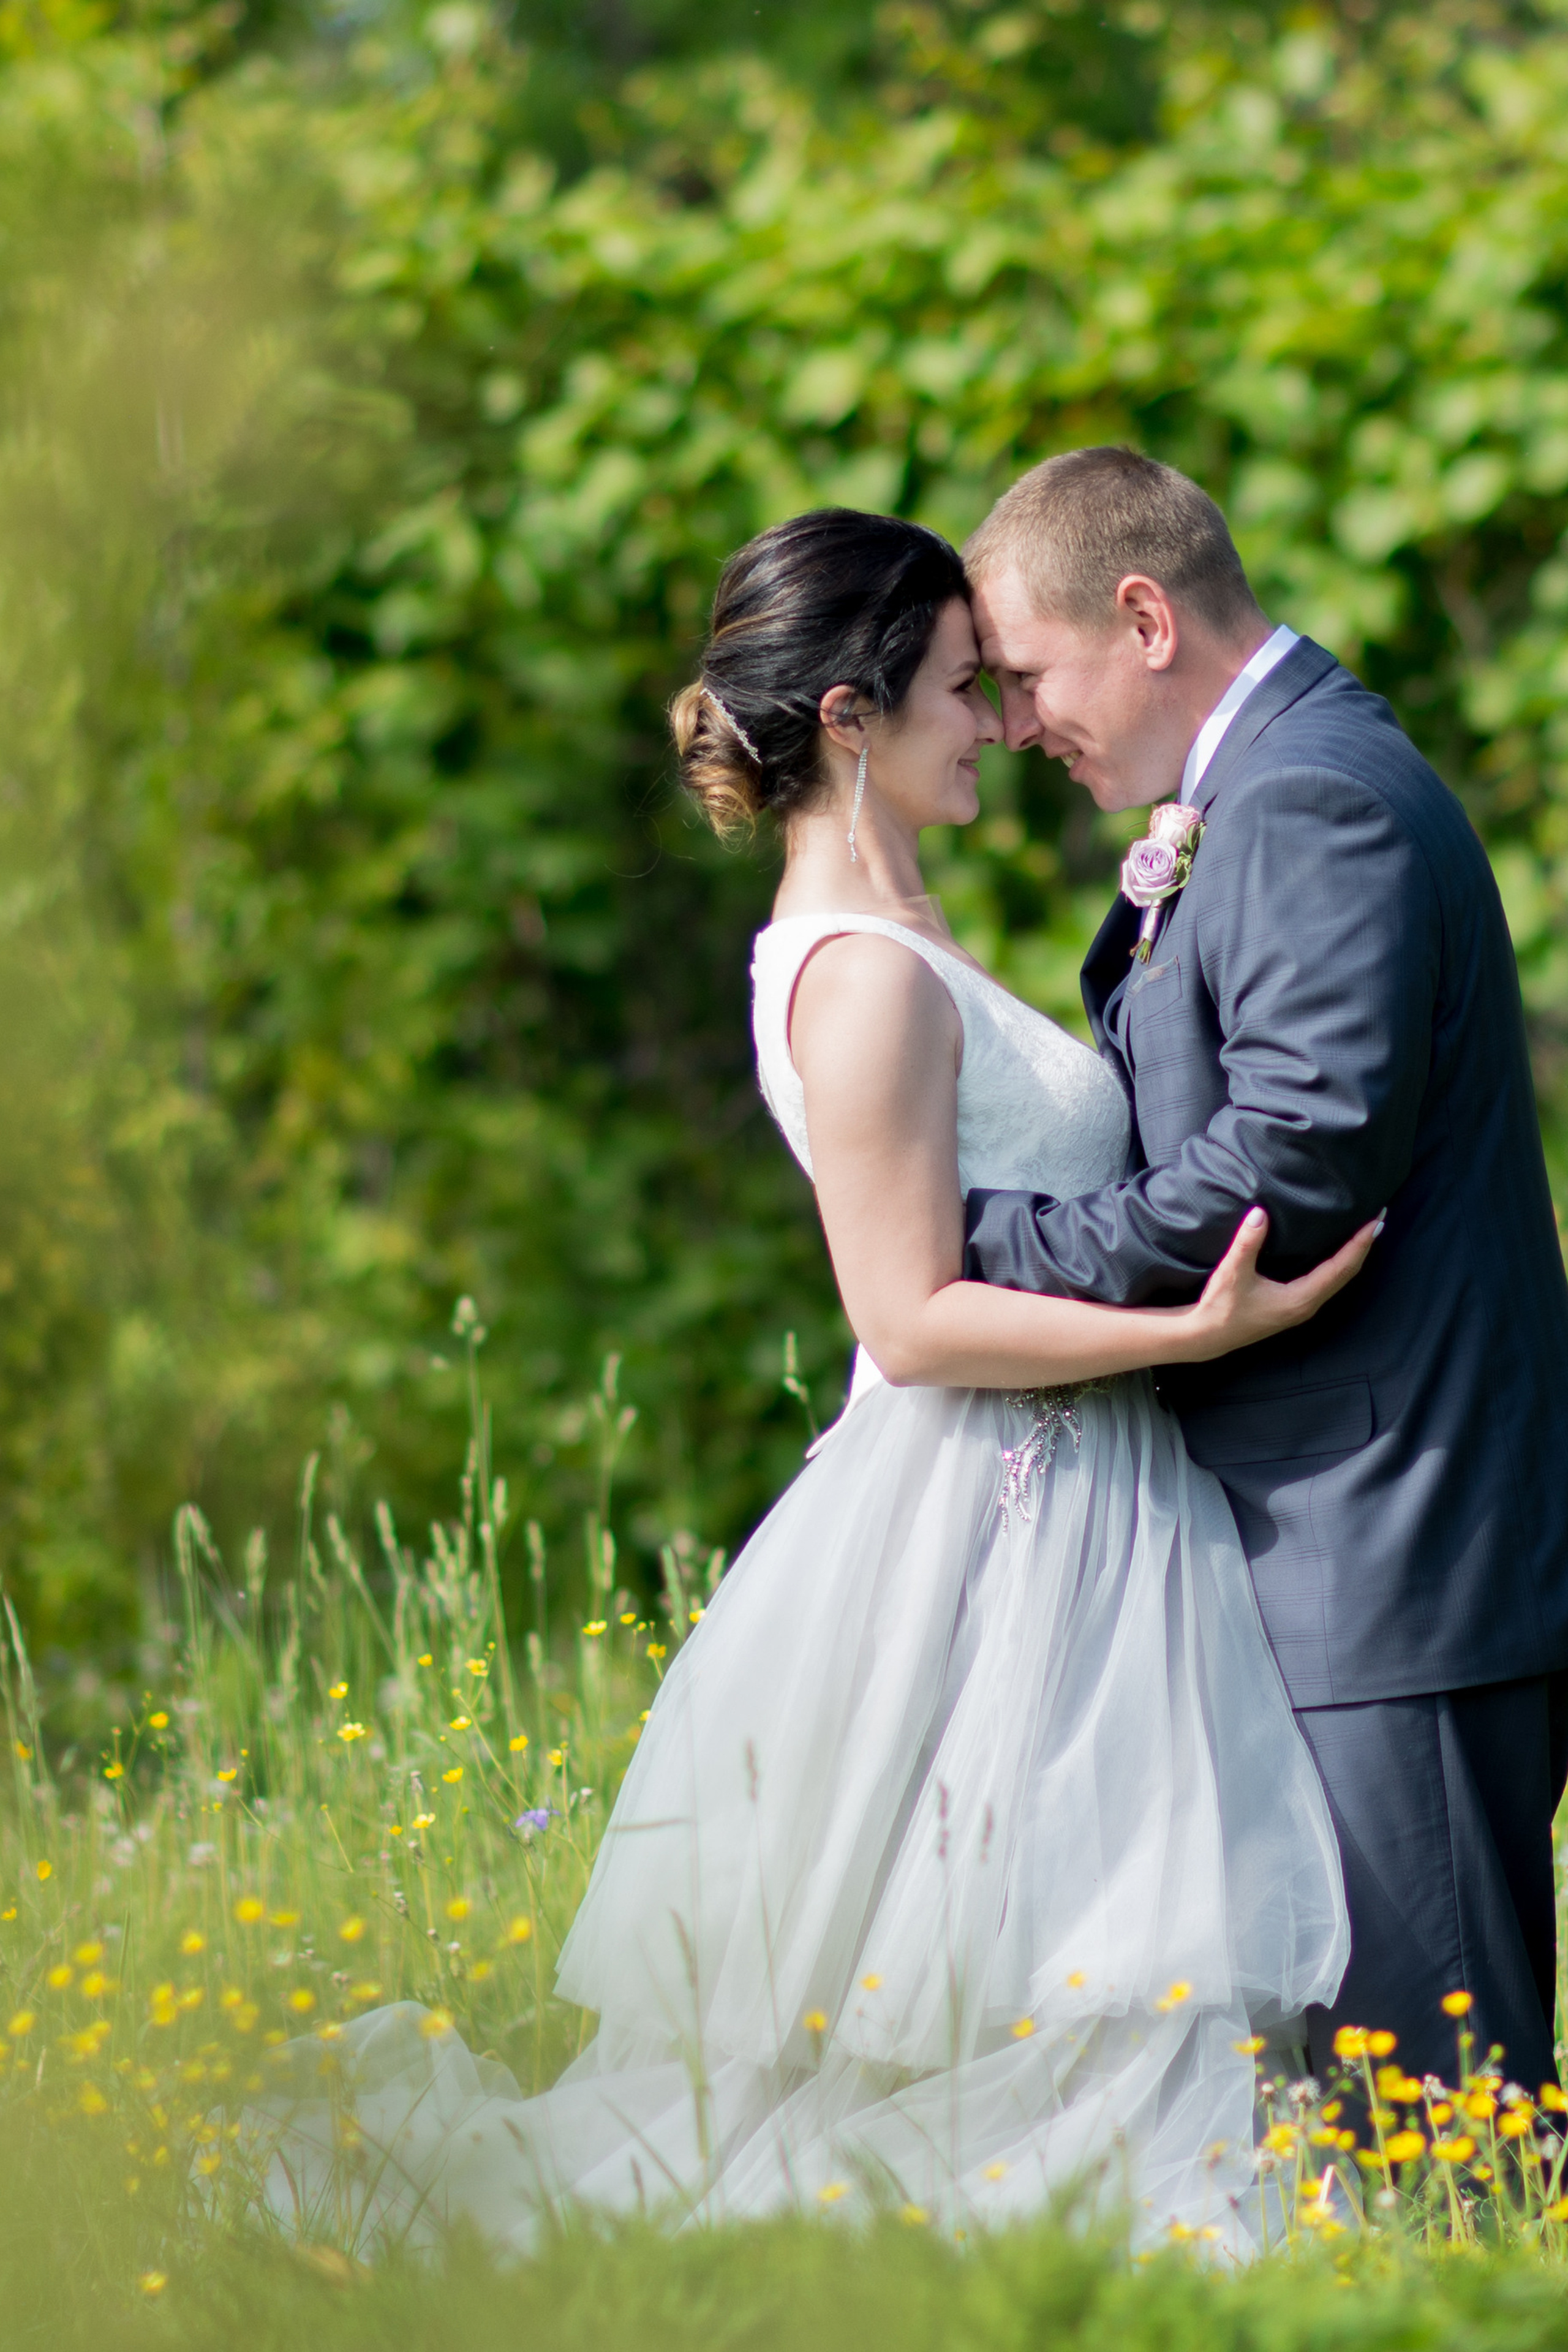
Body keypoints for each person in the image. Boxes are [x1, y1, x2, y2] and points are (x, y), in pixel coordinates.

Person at [250, 508, 1371, 2256]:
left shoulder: (896, 936)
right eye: (954, 689)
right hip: (992, 1497)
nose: (994, 721)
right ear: (850, 716)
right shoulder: (861, 982)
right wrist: (1188, 1336)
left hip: (1066, 1494)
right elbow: (912, 1319)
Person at [962, 445, 1568, 2098]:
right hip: (1342, 1542)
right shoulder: (1279, 785)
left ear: (1143, 616)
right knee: (1366, 2107)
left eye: (1024, 676)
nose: (1014, 726)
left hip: (1389, 1554)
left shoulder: (1309, 800)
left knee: (1448, 2113)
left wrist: (976, 1251)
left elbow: (1292, 1163)